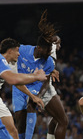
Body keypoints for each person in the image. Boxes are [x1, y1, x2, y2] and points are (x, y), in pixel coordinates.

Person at [12, 10, 68, 139]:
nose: (57, 47)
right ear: (40, 47)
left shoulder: (50, 56)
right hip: (22, 85)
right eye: (56, 44)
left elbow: (46, 82)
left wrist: (37, 97)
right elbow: (7, 51)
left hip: (41, 84)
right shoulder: (23, 50)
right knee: (20, 120)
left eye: (57, 44)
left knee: (59, 118)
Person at [0, 38, 46, 139]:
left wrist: (32, 96)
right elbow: (13, 80)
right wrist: (36, 77)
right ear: (10, 51)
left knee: (12, 131)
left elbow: (18, 83)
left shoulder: (8, 65)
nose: (19, 54)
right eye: (17, 50)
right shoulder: (0, 59)